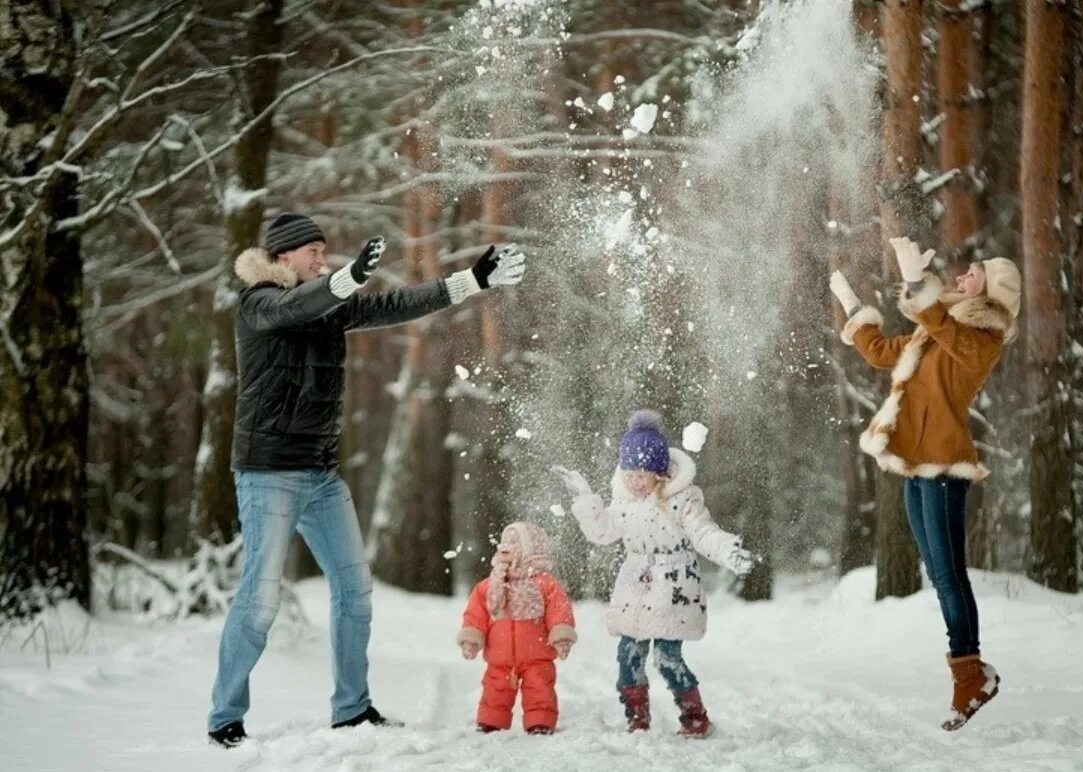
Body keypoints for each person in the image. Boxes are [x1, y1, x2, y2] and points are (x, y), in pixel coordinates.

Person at [207, 212, 526, 747]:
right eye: (313, 251)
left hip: (321, 474)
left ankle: (352, 708)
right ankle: (224, 718)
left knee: (355, 591)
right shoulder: (258, 303)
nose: (321, 257)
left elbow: (394, 305)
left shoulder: (329, 306)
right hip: (268, 474)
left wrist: (474, 279)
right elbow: (296, 305)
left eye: (325, 251)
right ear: (283, 256)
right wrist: (345, 280)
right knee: (259, 600)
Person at [829, 237, 1021, 731]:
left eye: (972, 272)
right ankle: (972, 671)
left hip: (943, 466)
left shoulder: (983, 337)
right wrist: (854, 310)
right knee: (939, 576)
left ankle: (970, 674)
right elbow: (883, 352)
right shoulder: (941, 327)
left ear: (994, 286)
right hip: (916, 466)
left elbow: (937, 321)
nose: (961, 277)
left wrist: (918, 283)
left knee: (949, 575)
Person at [551, 410, 754, 738]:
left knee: (665, 656)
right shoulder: (624, 502)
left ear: (659, 474)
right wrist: (586, 498)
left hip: (675, 582)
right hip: (636, 581)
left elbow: (703, 532)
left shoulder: (682, 500)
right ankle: (637, 717)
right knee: (628, 653)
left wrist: (726, 548)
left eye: (641, 474)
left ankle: (694, 716)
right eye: (628, 473)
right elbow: (601, 532)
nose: (633, 481)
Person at [457, 521, 577, 735]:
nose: (506, 546)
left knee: (539, 688)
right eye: (505, 541)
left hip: (537, 655)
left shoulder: (545, 584)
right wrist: (471, 638)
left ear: (530, 549)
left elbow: (559, 610)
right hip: (500, 656)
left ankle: (540, 721)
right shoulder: (491, 585)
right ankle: (491, 721)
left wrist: (560, 635)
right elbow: (476, 614)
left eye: (514, 542)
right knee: (495, 689)